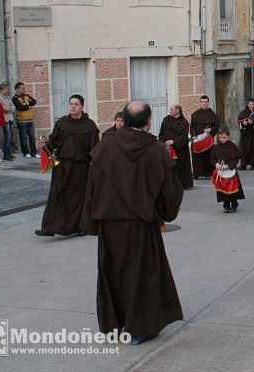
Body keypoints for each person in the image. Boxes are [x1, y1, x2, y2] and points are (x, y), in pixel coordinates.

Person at [80, 100, 183, 345]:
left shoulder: (106, 146)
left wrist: (91, 221)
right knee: (142, 275)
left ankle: (115, 323)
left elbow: (91, 185)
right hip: (140, 224)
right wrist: (164, 214)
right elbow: (170, 192)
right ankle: (140, 327)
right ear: (148, 122)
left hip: (110, 223)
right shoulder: (156, 150)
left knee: (113, 273)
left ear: (124, 120)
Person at [35, 94, 99, 237]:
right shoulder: (62, 123)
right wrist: (44, 146)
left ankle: (80, 227)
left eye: (76, 104)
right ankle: (50, 227)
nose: (73, 107)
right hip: (62, 165)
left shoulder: (89, 126)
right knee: (56, 195)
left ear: (82, 106)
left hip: (81, 168)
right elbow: (52, 143)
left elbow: (95, 149)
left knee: (78, 199)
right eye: (71, 104)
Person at [159, 104, 194, 189]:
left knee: (179, 169)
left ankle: (180, 185)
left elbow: (184, 137)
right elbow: (161, 133)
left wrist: (173, 142)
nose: (169, 111)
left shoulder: (184, 122)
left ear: (177, 110)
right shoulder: (165, 119)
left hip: (179, 150)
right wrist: (163, 143)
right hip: (166, 149)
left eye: (171, 109)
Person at [211, 126, 245, 212]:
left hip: (231, 171)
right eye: (220, 137)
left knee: (233, 190)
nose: (222, 139)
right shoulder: (216, 147)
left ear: (228, 136)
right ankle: (226, 205)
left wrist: (229, 166)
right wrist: (216, 164)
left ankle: (234, 204)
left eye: (224, 137)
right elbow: (212, 157)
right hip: (221, 172)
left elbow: (236, 158)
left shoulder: (232, 147)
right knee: (222, 190)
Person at [190, 95, 219, 179]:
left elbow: (216, 126)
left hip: (207, 139)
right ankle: (197, 173)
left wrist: (210, 129)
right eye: (202, 102)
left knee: (208, 156)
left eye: (205, 102)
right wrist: (194, 137)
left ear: (208, 102)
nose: (204, 104)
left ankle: (208, 174)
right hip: (197, 139)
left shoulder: (212, 114)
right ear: (200, 102)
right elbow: (191, 127)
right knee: (197, 156)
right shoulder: (195, 114)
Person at [12, 82, 38, 158]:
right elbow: (20, 107)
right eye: (22, 88)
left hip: (30, 120)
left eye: (24, 88)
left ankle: (34, 153)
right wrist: (28, 105)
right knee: (23, 137)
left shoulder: (27, 96)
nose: (24, 89)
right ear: (17, 89)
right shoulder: (14, 98)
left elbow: (34, 101)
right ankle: (26, 152)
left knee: (32, 137)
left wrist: (26, 105)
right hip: (21, 121)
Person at [237, 99, 254, 170]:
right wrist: (243, 124)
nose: (251, 106)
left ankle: (253, 164)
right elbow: (239, 121)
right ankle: (243, 165)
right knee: (243, 150)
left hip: (253, 134)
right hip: (245, 134)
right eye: (249, 104)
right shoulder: (243, 112)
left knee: (253, 150)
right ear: (247, 105)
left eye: (252, 104)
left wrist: (253, 123)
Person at [0, 83, 16, 161]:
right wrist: (9, 108)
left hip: (10, 118)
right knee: (7, 137)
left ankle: (9, 153)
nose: (7, 91)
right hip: (4, 118)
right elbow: (2, 108)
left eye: (8, 89)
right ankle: (6, 155)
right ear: (1, 90)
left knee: (10, 137)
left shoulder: (8, 97)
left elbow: (13, 107)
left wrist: (9, 108)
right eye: (6, 89)